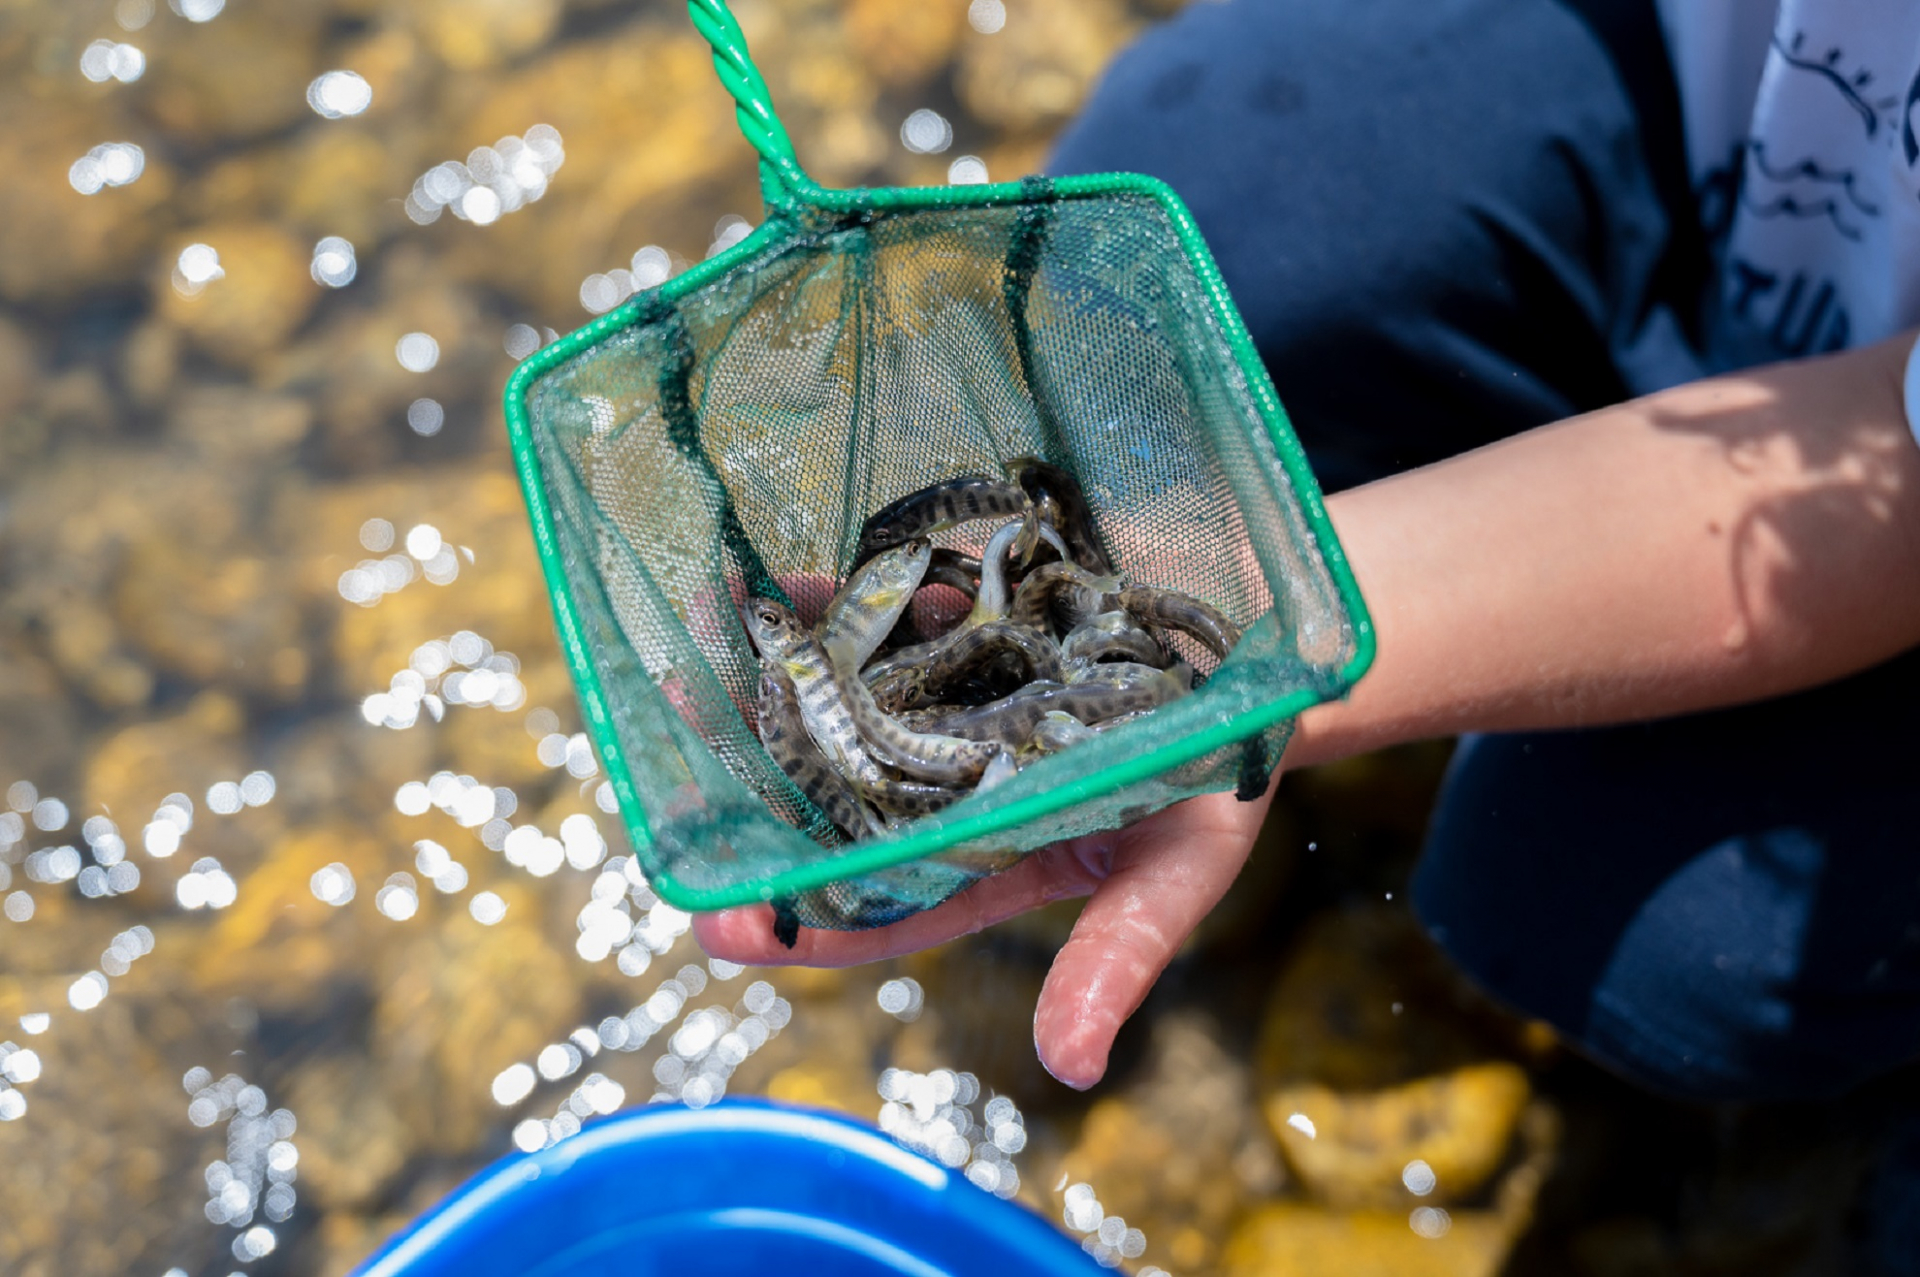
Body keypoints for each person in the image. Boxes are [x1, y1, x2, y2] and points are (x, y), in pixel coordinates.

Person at [697, 0, 1920, 1105]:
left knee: (1616, 916)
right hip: (1713, 97)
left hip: (1878, 490)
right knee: (1192, 182)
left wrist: (1288, 639)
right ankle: (1540, 423)